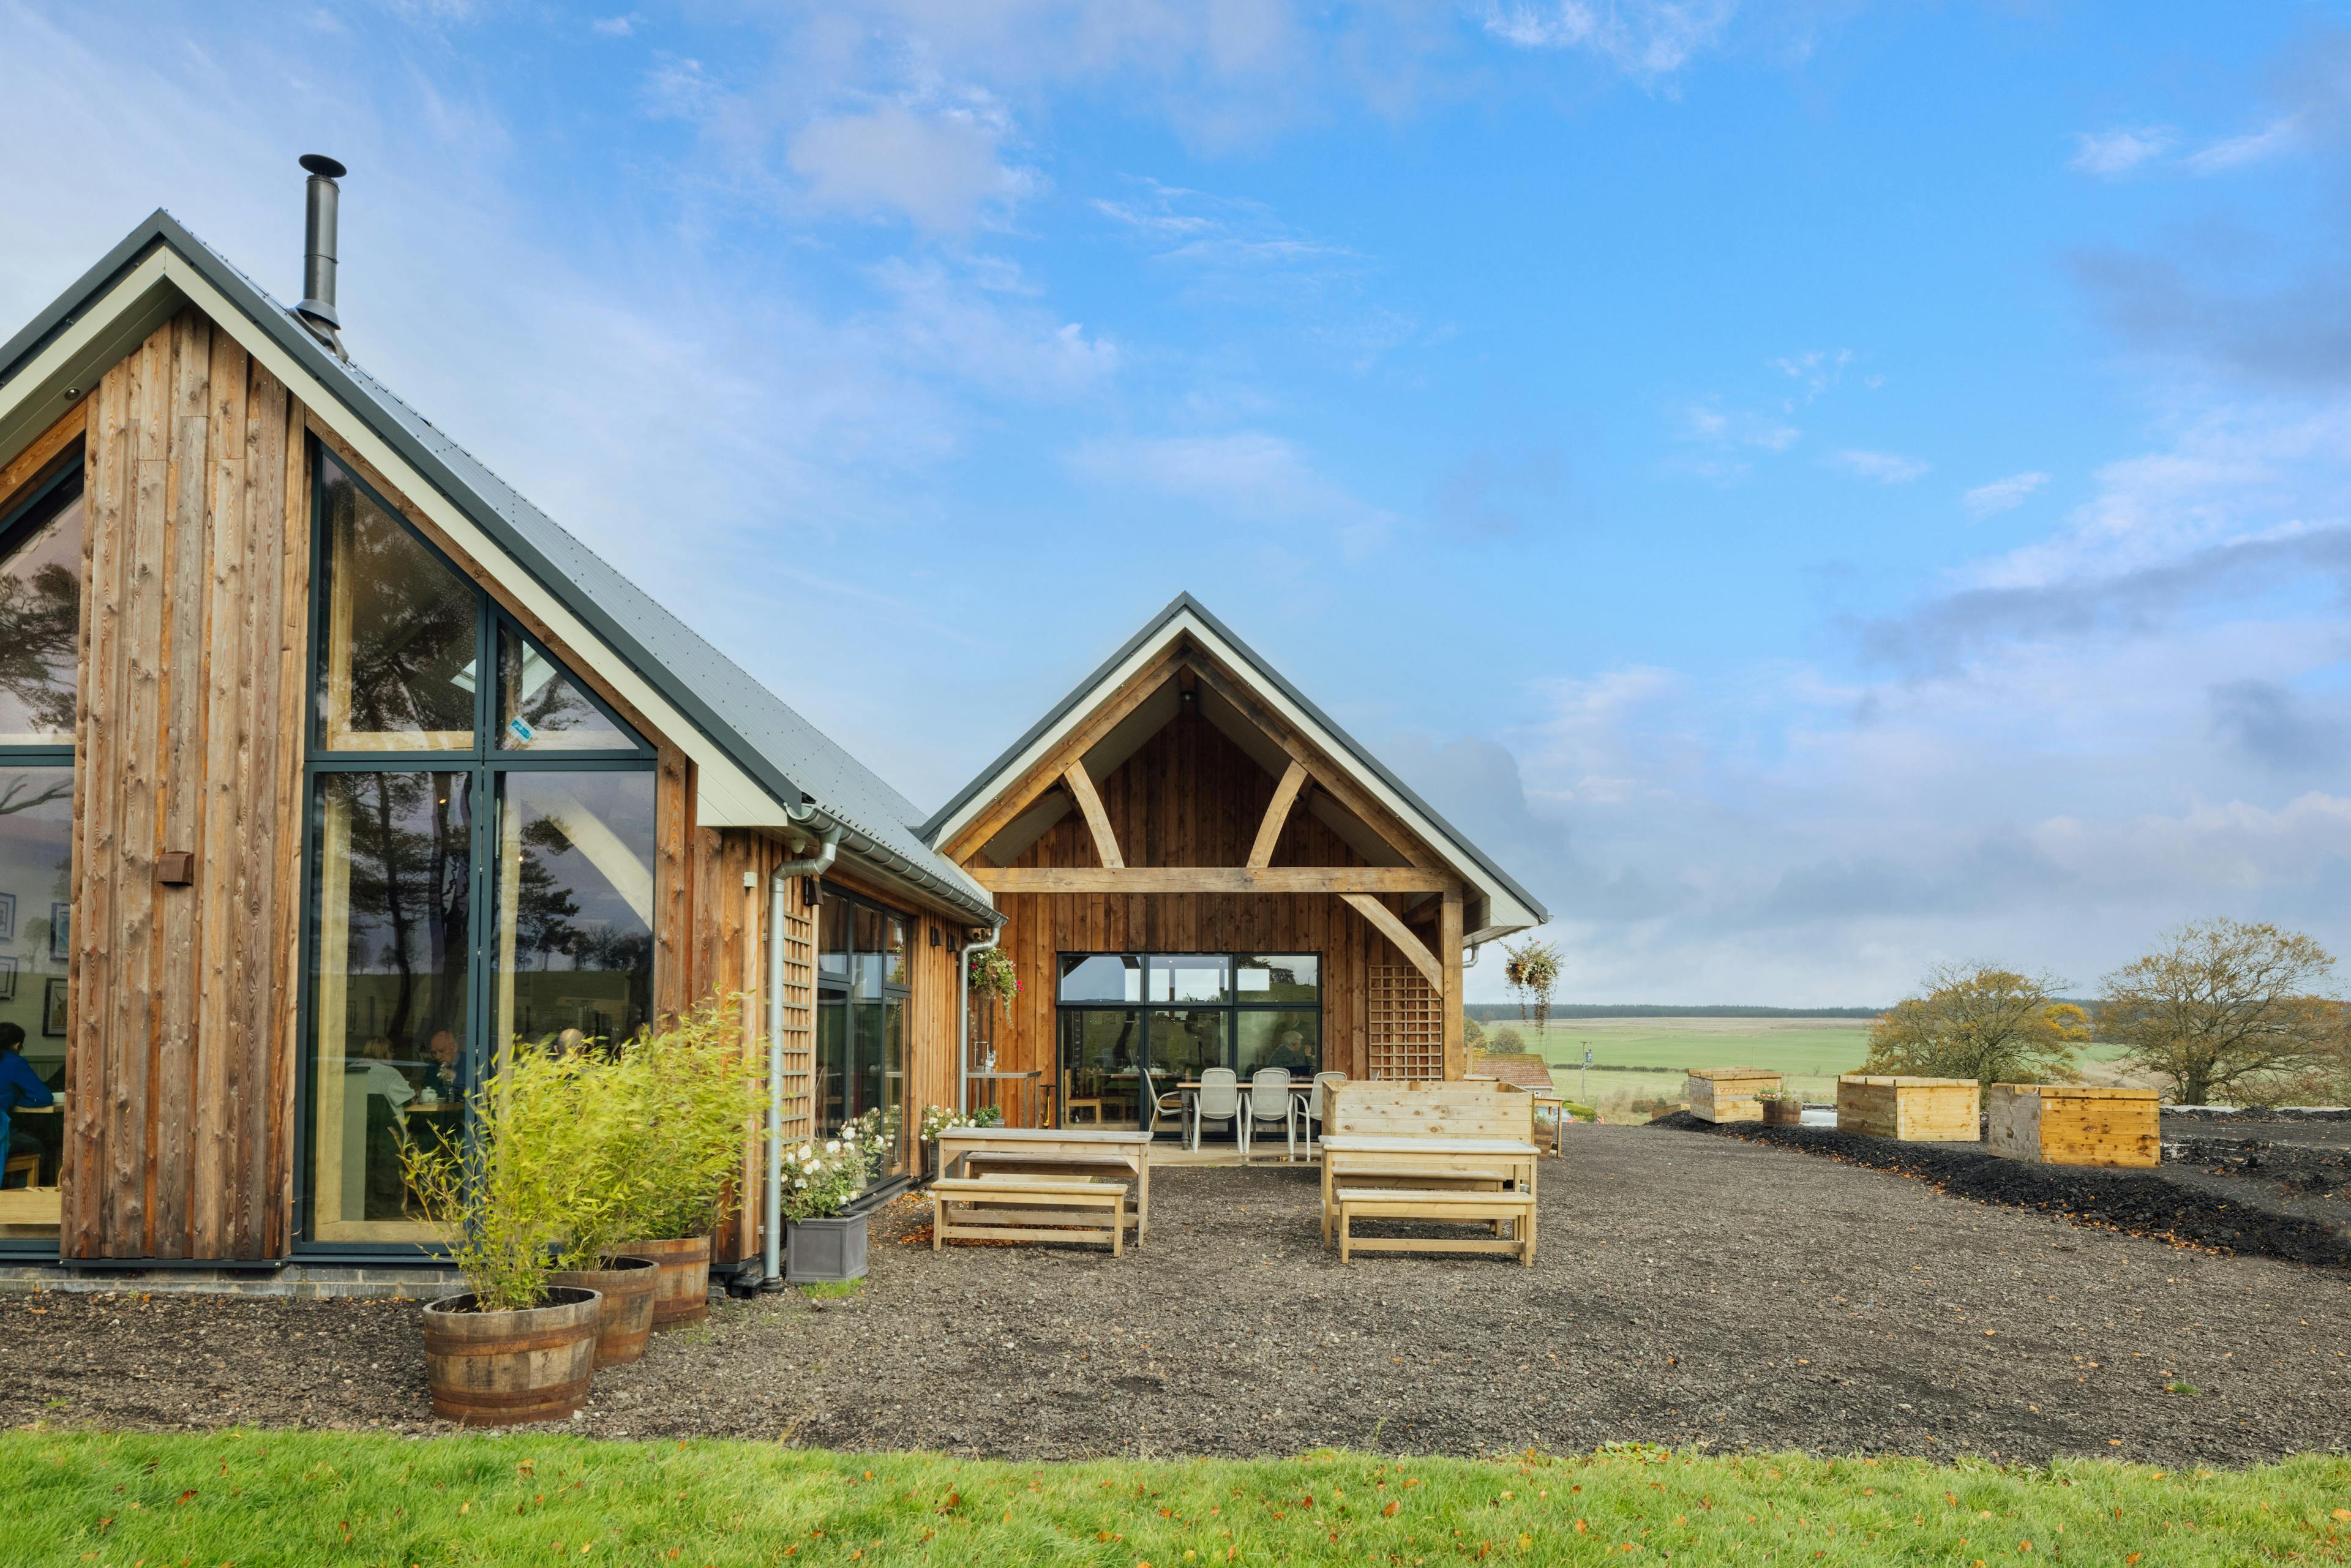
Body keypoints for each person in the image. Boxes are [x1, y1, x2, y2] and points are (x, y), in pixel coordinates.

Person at [0, 1022, 54, 1188]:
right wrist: (16, 1097)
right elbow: (44, 1097)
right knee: (37, 1146)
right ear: (17, 1045)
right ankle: (21, 1197)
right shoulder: (14, 1063)